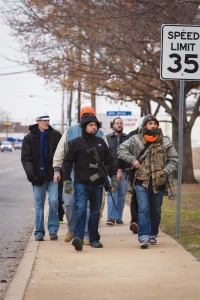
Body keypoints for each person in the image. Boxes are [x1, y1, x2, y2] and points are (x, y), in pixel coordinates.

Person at [117, 114, 178, 249]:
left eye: (155, 123)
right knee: (143, 209)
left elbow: (174, 159)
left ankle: (153, 234)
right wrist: (132, 160)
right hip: (141, 181)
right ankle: (143, 236)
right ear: (144, 126)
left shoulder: (165, 141)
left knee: (155, 210)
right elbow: (121, 149)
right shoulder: (136, 140)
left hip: (159, 182)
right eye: (150, 123)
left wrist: (165, 172)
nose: (153, 126)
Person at [62, 114, 117, 251]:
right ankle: (78, 238)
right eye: (91, 125)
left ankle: (94, 239)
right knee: (80, 210)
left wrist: (113, 178)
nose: (94, 127)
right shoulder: (76, 143)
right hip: (81, 183)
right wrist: (67, 180)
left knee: (94, 213)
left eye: (95, 125)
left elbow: (110, 162)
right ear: (84, 127)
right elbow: (67, 162)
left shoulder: (100, 142)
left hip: (98, 184)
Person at [53, 106, 104, 245]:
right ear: (81, 117)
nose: (89, 118)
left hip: (93, 174)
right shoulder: (70, 131)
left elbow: (106, 156)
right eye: (86, 115)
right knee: (69, 203)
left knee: (88, 206)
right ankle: (72, 229)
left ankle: (86, 234)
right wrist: (57, 170)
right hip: (73, 172)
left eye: (92, 115)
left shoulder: (100, 133)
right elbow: (60, 152)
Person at [21, 113, 62, 241]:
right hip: (37, 177)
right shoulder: (29, 138)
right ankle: (39, 232)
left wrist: (59, 171)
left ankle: (53, 230)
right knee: (38, 205)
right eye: (44, 120)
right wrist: (31, 174)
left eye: (48, 120)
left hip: (52, 175)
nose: (47, 122)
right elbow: (26, 159)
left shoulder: (56, 135)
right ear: (37, 121)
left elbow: (61, 154)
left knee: (54, 201)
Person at [105, 117, 128, 225]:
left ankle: (118, 217)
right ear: (113, 125)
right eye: (117, 123)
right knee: (112, 192)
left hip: (124, 171)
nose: (119, 125)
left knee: (122, 194)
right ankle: (111, 217)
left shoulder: (127, 138)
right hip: (111, 171)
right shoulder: (107, 138)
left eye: (121, 123)